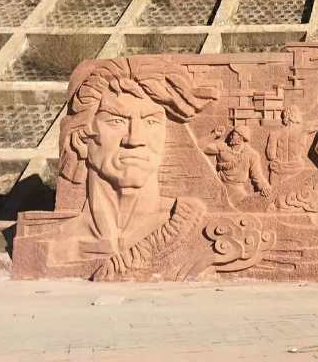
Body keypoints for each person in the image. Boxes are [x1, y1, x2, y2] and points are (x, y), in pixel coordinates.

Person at [54, 57, 218, 278]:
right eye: (117, 121)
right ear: (82, 140)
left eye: (151, 121)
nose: (135, 139)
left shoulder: (205, 232)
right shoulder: (56, 246)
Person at [203, 125, 272, 201]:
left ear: (240, 138)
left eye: (233, 135)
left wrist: (264, 186)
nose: (230, 137)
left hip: (237, 189)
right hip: (219, 186)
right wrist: (214, 134)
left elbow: (257, 175)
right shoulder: (223, 147)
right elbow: (201, 147)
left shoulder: (251, 154)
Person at [266, 105, 307, 183]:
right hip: (297, 169)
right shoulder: (302, 133)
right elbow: (303, 153)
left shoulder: (275, 134)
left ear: (285, 116)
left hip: (278, 170)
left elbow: (271, 156)